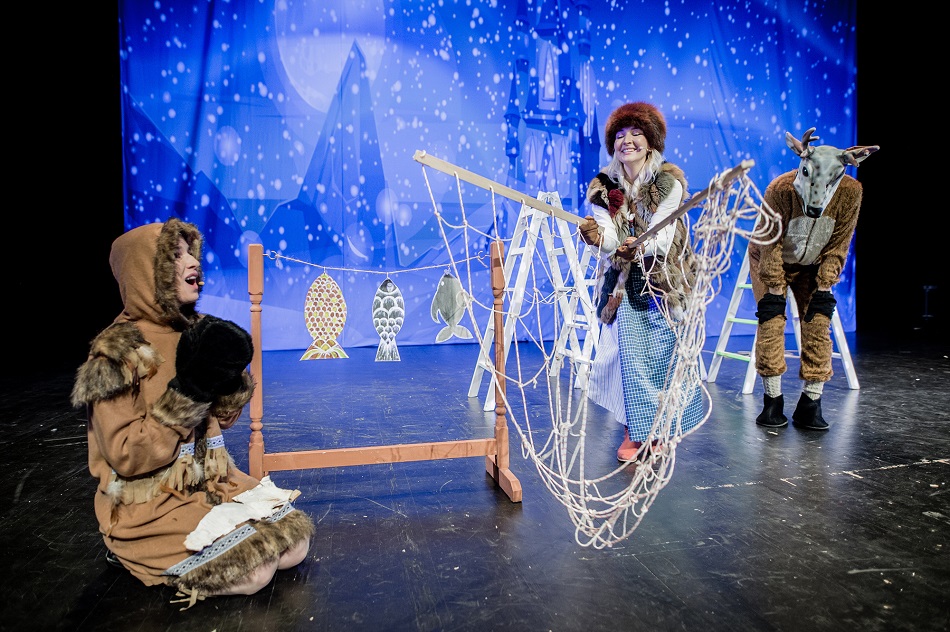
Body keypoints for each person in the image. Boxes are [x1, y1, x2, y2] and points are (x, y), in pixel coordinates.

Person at [70, 217, 314, 610]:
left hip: (207, 483)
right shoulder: (115, 352)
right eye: (175, 255)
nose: (193, 262)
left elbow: (222, 419)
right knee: (256, 572)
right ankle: (131, 553)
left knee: (294, 546)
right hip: (149, 504)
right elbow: (126, 455)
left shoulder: (193, 331)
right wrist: (185, 396)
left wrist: (228, 380)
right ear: (146, 272)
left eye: (191, 252)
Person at [579, 101, 705, 462]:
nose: (627, 141)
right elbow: (608, 236)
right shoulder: (603, 188)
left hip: (662, 282)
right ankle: (633, 431)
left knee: (662, 356)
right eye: (620, 135)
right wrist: (598, 238)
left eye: (636, 133)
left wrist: (639, 245)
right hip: (623, 284)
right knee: (626, 357)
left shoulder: (668, 183)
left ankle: (658, 430)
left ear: (650, 142)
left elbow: (662, 239)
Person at [749, 128, 878, 430]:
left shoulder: (850, 192)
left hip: (813, 263)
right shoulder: (781, 190)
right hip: (774, 258)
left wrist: (825, 285)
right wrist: (774, 288)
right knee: (771, 320)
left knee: (818, 321)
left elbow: (839, 243)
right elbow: (770, 241)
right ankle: (772, 401)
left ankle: (811, 402)